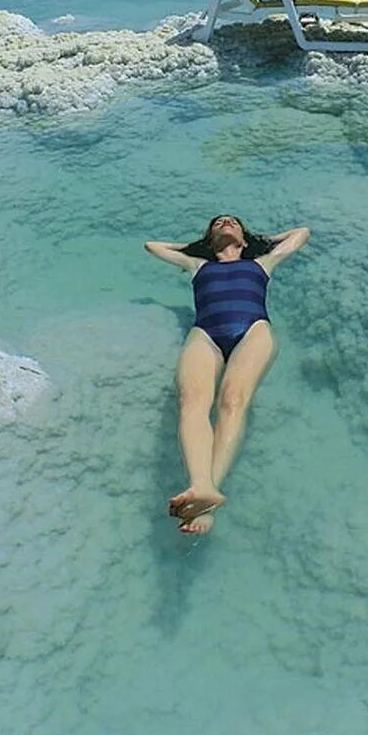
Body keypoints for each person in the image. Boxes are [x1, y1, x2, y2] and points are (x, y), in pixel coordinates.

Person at [144, 215, 311, 535]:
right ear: (208, 238)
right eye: (218, 223)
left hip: (254, 331)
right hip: (205, 333)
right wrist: (200, 247)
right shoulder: (197, 265)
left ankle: (206, 500)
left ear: (245, 238)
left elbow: (301, 233)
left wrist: (257, 240)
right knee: (191, 401)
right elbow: (153, 246)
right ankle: (201, 485)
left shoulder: (264, 262)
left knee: (232, 400)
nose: (225, 223)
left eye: (233, 222)